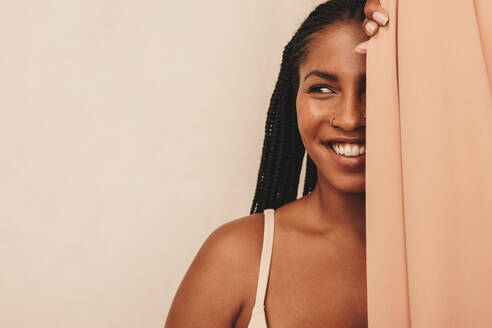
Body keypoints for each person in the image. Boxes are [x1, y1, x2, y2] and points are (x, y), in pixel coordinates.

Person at [165, 0, 389, 327]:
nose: (351, 118)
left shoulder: (462, 251)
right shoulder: (237, 257)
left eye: (378, 87)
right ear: (292, 100)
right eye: (323, 88)